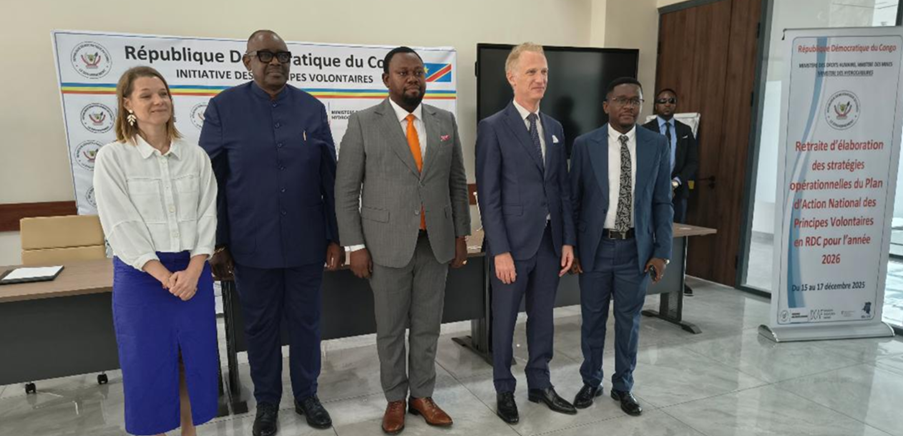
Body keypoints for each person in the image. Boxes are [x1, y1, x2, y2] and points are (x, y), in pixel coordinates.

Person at [199, 30, 343, 436]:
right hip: (250, 243)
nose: (275, 62)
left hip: (306, 241)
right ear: (247, 61)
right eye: (265, 55)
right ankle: (267, 402)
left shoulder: (311, 109)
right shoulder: (224, 108)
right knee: (260, 328)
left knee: (307, 323)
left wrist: (335, 237)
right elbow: (212, 183)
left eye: (282, 55)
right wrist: (218, 243)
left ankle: (307, 395)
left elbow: (327, 177)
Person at [335, 46, 471, 435]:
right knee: (391, 328)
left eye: (419, 72)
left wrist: (462, 233)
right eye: (403, 73)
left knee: (428, 326)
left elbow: (456, 182)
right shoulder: (364, 122)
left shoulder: (443, 120)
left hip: (436, 243)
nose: (413, 79)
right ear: (386, 79)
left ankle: (422, 395)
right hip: (385, 245)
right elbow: (346, 189)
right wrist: (354, 246)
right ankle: (395, 398)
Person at [94, 66, 218, 436]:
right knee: (148, 366)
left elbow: (207, 215)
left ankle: (189, 431)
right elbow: (120, 225)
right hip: (143, 278)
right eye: (146, 95)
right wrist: (164, 275)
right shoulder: (113, 158)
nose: (158, 101)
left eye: (163, 93)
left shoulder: (195, 156)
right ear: (127, 104)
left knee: (190, 362)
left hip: (192, 272)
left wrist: (194, 269)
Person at [475, 42, 577, 425]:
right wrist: (499, 249)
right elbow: (489, 195)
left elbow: (561, 189)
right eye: (532, 72)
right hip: (512, 247)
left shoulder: (554, 128)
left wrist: (566, 239)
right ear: (511, 76)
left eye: (544, 72)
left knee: (543, 318)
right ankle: (505, 388)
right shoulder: (493, 127)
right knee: (503, 321)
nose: (540, 79)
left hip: (550, 243)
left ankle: (540, 383)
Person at [569, 77, 673, 416]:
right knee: (593, 320)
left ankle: (623, 386)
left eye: (636, 100)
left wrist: (662, 252)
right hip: (595, 248)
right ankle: (591, 380)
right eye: (621, 100)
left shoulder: (656, 145)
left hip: (636, 251)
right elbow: (574, 201)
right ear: (606, 105)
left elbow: (662, 202)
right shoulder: (585, 145)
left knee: (629, 323)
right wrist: (572, 247)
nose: (629, 106)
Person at [642, 88, 698, 225]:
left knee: (676, 233)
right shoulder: (644, 130)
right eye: (663, 101)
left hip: (677, 191)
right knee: (649, 230)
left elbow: (692, 161)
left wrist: (675, 182)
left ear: (676, 104)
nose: (667, 104)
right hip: (651, 190)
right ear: (656, 105)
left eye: (671, 101)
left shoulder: (685, 130)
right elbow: (641, 161)